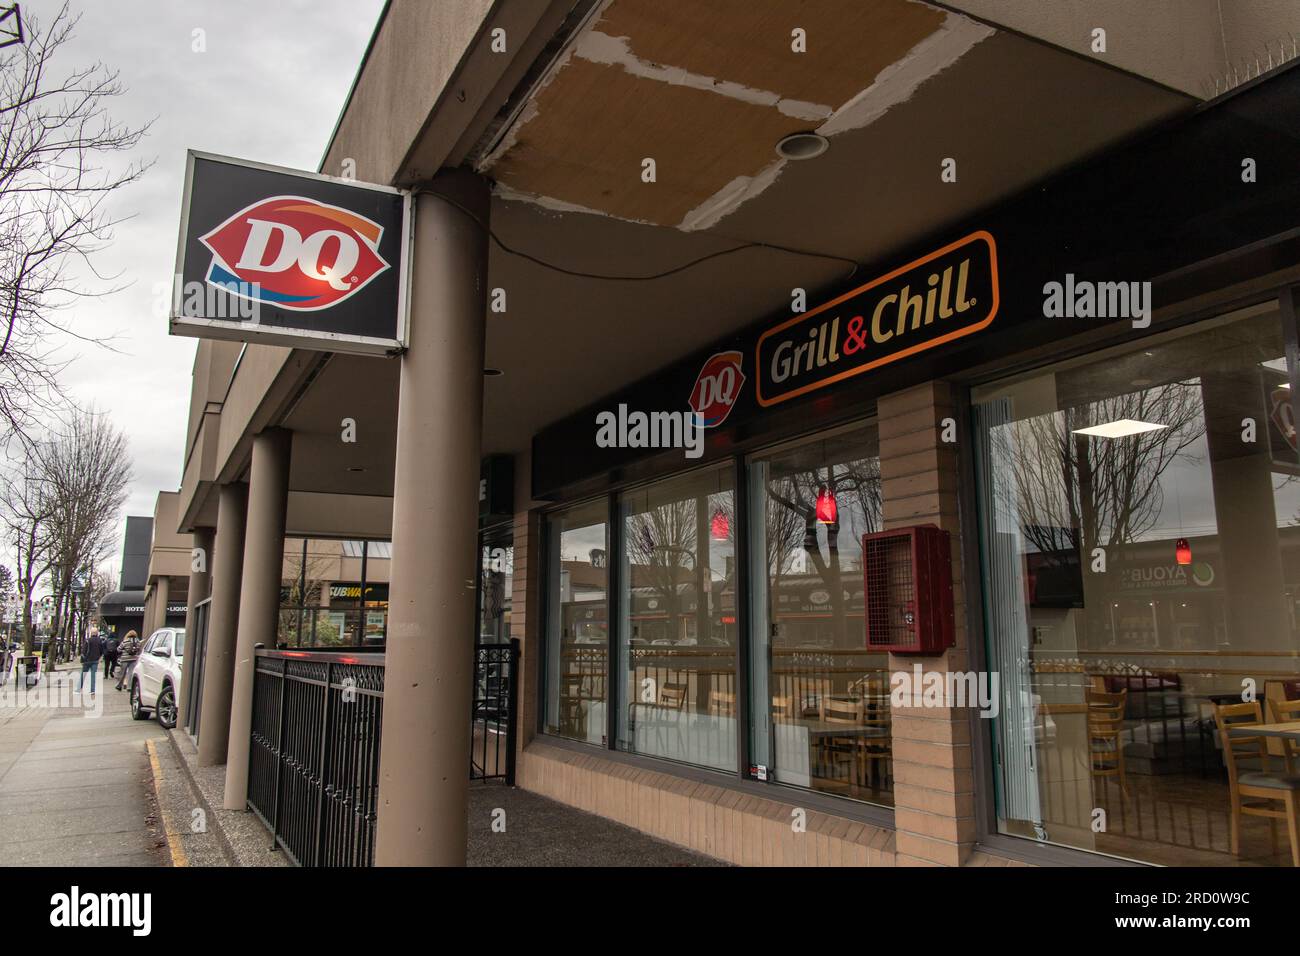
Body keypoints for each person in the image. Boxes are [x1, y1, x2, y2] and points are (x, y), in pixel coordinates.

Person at [79, 626, 104, 697]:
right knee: (93, 676)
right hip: (95, 661)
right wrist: (98, 658)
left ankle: (79, 688)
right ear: (97, 633)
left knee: (83, 674)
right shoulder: (100, 641)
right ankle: (92, 690)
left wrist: (82, 660)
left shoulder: (88, 640)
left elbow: (84, 651)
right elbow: (102, 651)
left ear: (91, 633)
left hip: (87, 660)